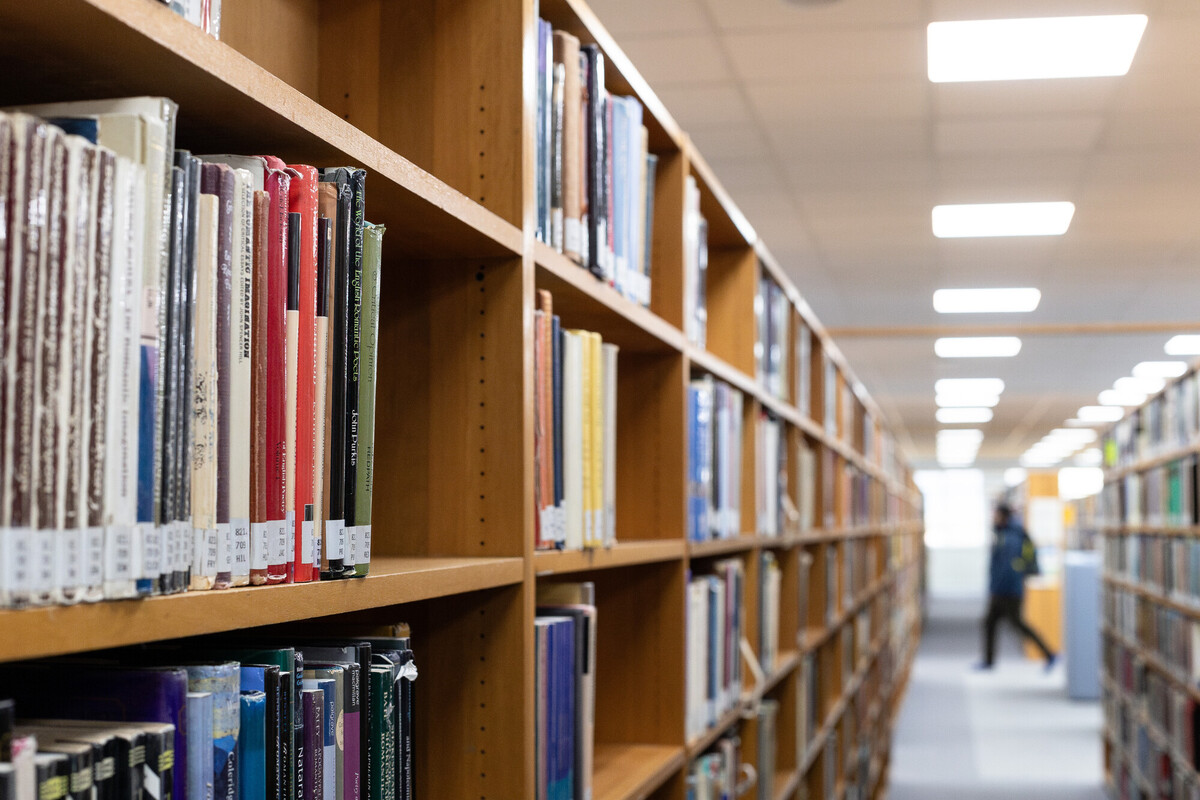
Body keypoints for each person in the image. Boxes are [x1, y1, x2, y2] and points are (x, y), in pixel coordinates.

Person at [977, 503, 1057, 671]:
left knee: (1018, 625)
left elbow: (1008, 567)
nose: (994, 517)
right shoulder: (1002, 532)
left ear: (1004, 516)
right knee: (990, 623)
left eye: (996, 514)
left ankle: (1049, 653)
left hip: (1008, 590)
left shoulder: (1011, 536)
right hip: (1002, 589)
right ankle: (988, 661)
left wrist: (996, 588)